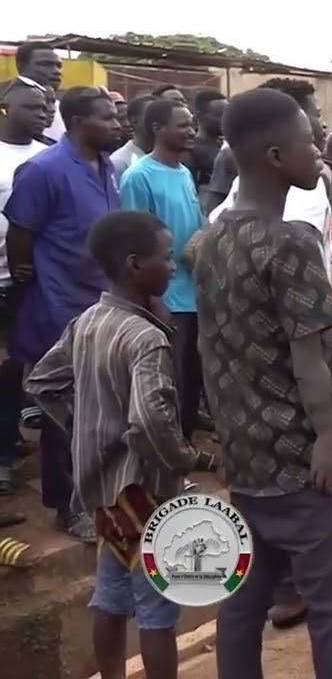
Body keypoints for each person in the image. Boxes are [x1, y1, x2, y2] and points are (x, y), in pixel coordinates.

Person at [195, 88, 332, 679]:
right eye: (307, 139)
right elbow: (311, 355)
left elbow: (209, 346)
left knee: (243, 605)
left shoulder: (209, 239)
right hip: (305, 467)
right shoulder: (289, 241)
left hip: (247, 461)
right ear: (273, 155)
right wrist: (326, 438)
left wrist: (227, 433)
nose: (318, 149)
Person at [27, 209, 219, 679]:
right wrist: (200, 460)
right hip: (144, 494)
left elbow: (43, 382)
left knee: (111, 596)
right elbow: (151, 424)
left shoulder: (89, 321)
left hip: (103, 492)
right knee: (157, 610)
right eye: (165, 256)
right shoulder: (146, 340)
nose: (174, 265)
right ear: (135, 264)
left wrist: (89, 427)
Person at [4, 86, 123, 542]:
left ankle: (99, 487)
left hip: (102, 303)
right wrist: (28, 279)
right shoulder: (45, 169)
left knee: (100, 405)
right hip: (59, 308)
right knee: (62, 412)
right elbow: (22, 233)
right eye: (107, 118)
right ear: (77, 122)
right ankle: (65, 503)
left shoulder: (106, 165)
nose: (116, 125)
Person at [119, 99, 205, 442]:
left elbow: (195, 231)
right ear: (157, 129)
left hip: (195, 294)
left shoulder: (184, 172)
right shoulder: (138, 176)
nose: (192, 131)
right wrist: (152, 299)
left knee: (192, 380)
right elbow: (135, 243)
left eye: (192, 124)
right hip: (166, 297)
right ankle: (167, 455)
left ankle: (184, 445)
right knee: (170, 383)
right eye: (183, 125)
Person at [0, 79, 50, 500]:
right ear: (4, 108)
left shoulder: (46, 157)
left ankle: (4, 461)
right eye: (32, 106)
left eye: (46, 106)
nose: (43, 112)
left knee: (13, 371)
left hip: (26, 282)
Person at [201, 78, 321, 213]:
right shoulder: (298, 232)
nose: (317, 152)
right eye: (310, 141)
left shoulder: (206, 232)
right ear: (276, 156)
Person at [15, 42, 64, 141]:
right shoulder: (5, 103)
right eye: (46, 64)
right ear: (21, 67)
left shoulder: (66, 111)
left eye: (59, 66)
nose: (57, 71)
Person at [185, 90, 227, 193]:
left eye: (227, 114)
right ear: (199, 116)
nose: (225, 120)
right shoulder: (190, 150)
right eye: (219, 115)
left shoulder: (227, 147)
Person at [110, 96, 159, 183]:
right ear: (134, 121)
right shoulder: (120, 162)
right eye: (151, 117)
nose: (158, 122)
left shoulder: (167, 159)